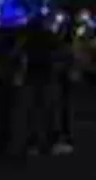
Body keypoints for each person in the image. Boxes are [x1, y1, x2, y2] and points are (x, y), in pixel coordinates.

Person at [23, 15, 58, 155]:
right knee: (47, 109)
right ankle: (49, 141)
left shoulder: (28, 38)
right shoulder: (49, 36)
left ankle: (33, 141)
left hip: (32, 74)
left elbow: (21, 54)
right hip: (46, 74)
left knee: (33, 110)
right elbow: (56, 51)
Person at [0, 27, 22, 157]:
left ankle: (1, 143)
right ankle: (4, 143)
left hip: (1, 85)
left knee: (0, 115)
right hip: (7, 85)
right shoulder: (12, 53)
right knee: (6, 115)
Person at [51, 20, 76, 155]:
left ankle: (63, 139)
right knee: (59, 110)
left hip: (63, 82)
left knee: (63, 111)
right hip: (58, 82)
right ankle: (60, 138)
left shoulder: (66, 48)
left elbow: (71, 65)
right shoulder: (60, 48)